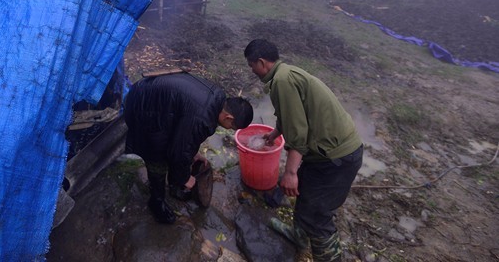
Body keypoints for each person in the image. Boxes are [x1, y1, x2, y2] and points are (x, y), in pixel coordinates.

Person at [243, 39, 363, 262]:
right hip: (324, 153)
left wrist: (290, 173)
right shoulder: (286, 73)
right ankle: (299, 237)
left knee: (317, 216)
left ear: (261, 62)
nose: (252, 71)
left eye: (252, 66)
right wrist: (274, 134)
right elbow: (292, 116)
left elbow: (298, 134)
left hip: (336, 157)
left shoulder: (282, 81)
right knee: (305, 196)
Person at [123, 71, 254, 224]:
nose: (228, 129)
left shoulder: (218, 98)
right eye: (231, 127)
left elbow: (186, 134)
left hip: (155, 100)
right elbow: (179, 150)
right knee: (157, 154)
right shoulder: (202, 117)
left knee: (175, 148)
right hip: (142, 107)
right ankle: (156, 202)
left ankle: (174, 186)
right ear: (228, 118)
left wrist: (194, 153)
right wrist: (185, 177)